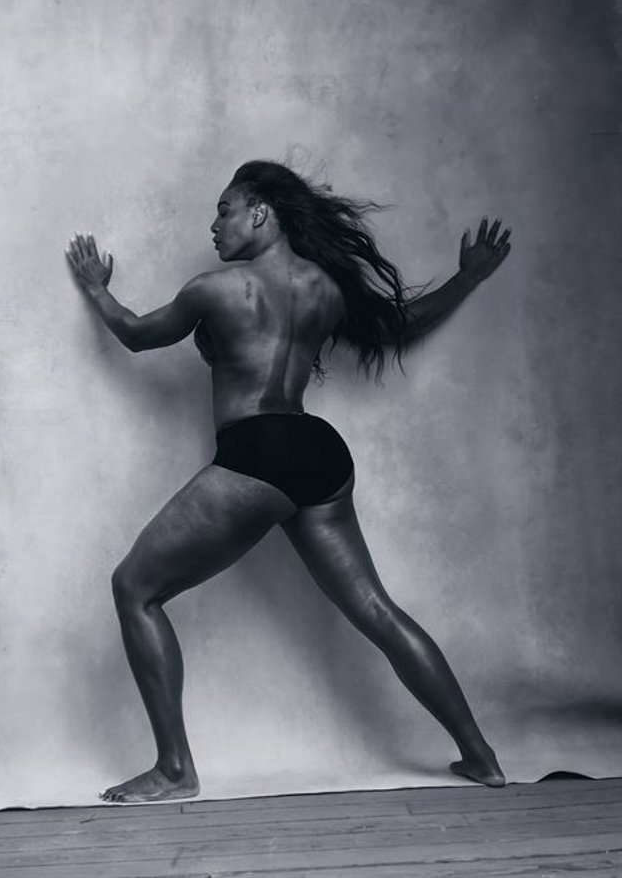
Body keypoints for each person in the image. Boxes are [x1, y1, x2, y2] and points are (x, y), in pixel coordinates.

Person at [65, 160, 511, 804]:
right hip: (319, 452)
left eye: (224, 210)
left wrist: (97, 289)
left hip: (258, 450)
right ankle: (480, 755)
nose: (214, 225)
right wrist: (469, 277)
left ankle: (174, 769)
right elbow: (400, 325)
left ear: (260, 212)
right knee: (378, 611)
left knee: (134, 588)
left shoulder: (214, 290)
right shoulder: (328, 288)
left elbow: (136, 335)